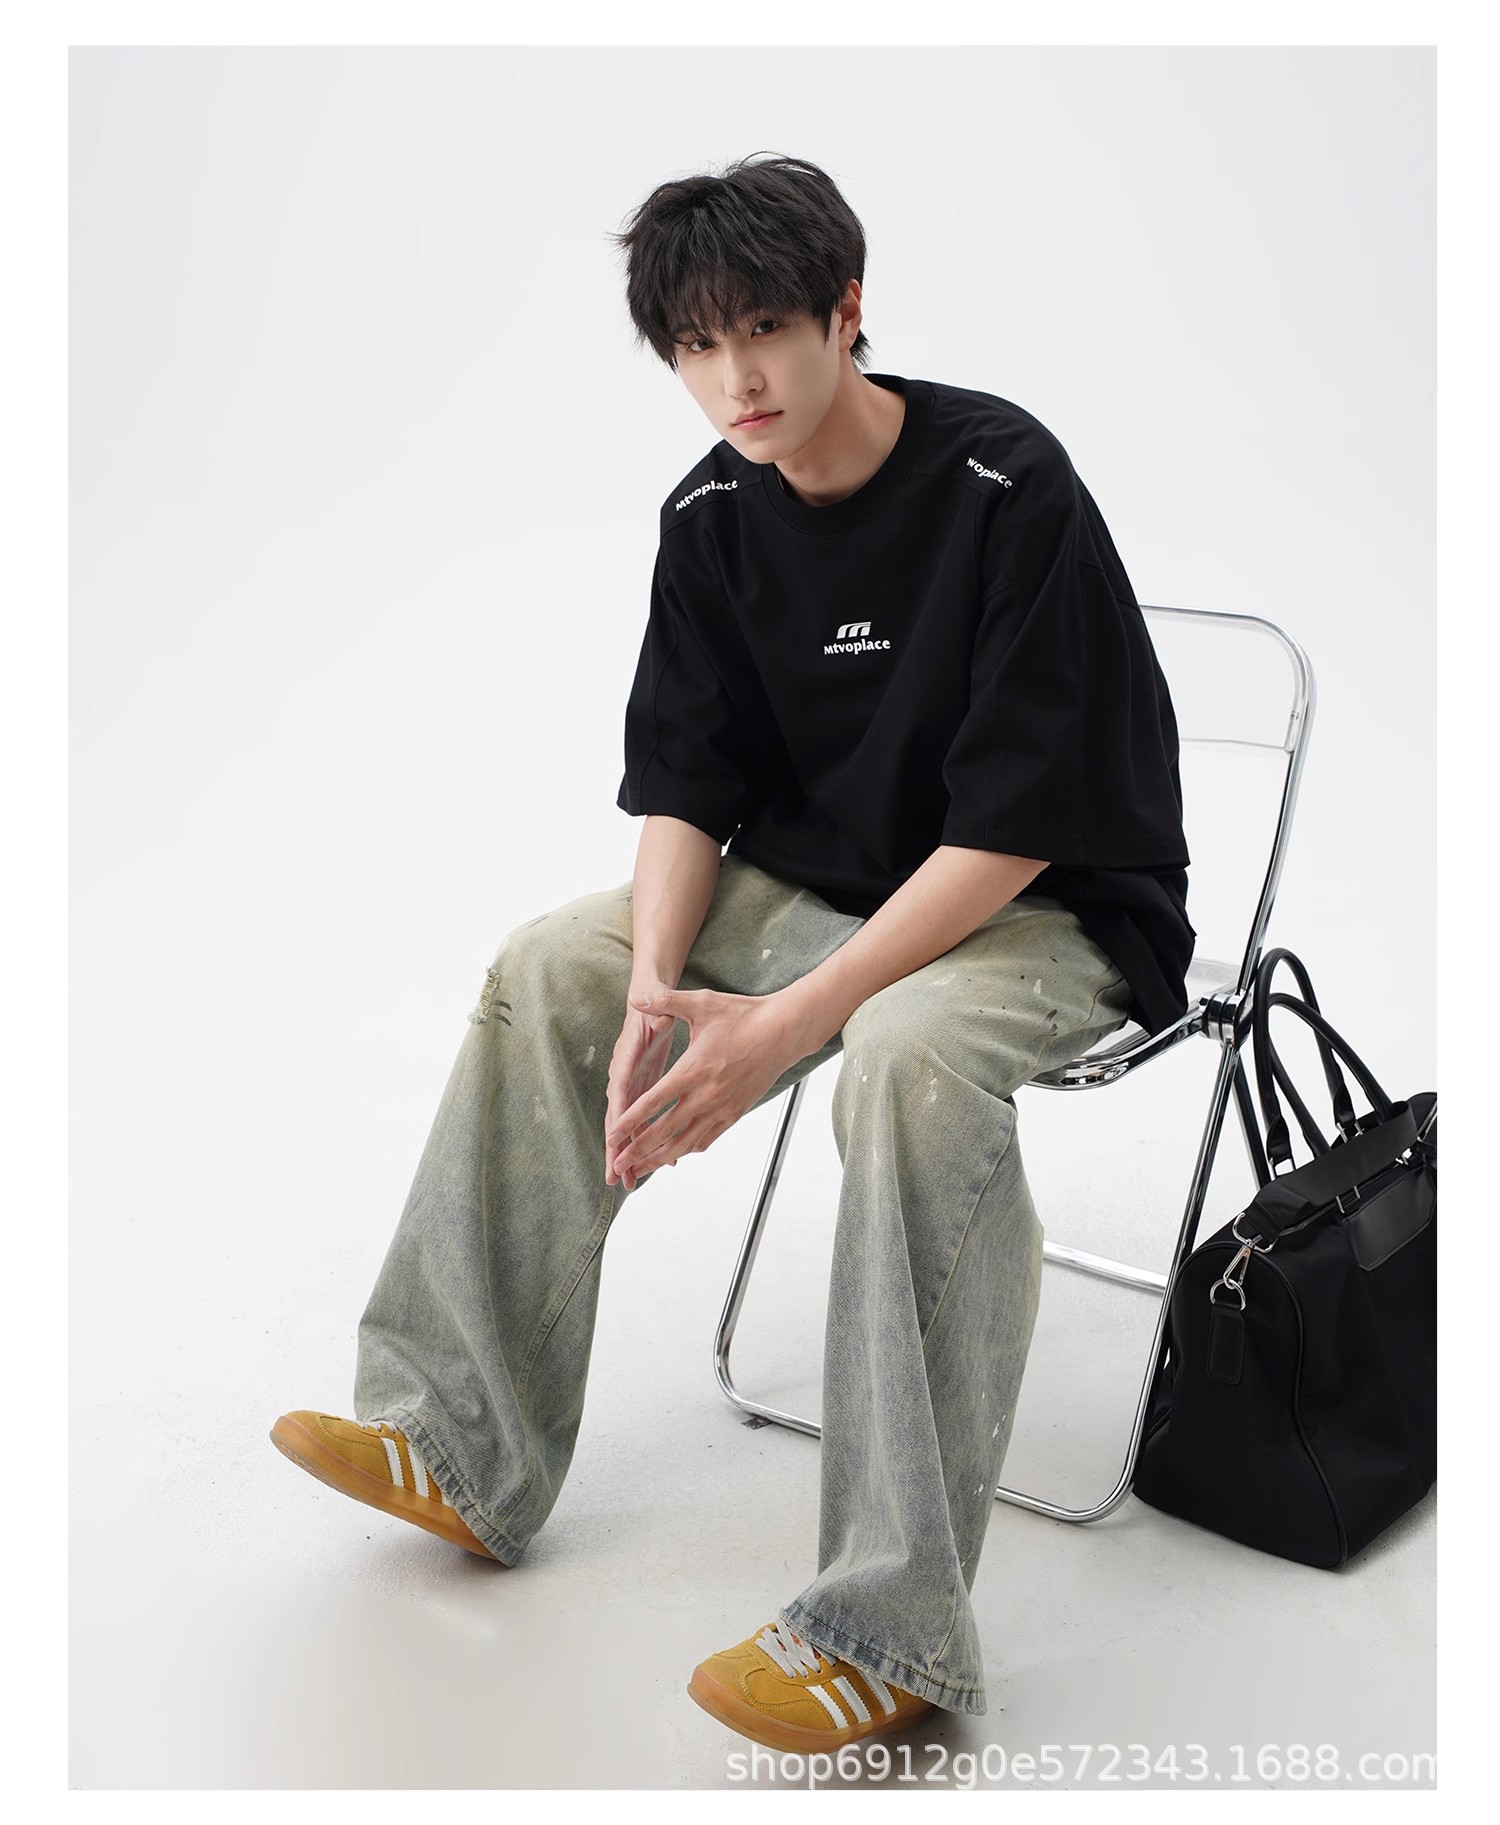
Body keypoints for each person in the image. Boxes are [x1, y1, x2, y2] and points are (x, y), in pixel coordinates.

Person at [270, 151, 1194, 1755]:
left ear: (847, 311)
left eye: (763, 328)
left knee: (901, 1059)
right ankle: (458, 1440)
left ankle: (891, 1629)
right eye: (696, 345)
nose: (735, 379)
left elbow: (1020, 826)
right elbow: (689, 784)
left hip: (1047, 905)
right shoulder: (709, 515)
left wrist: (791, 1020)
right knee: (556, 961)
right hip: (824, 884)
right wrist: (655, 983)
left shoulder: (1004, 483)